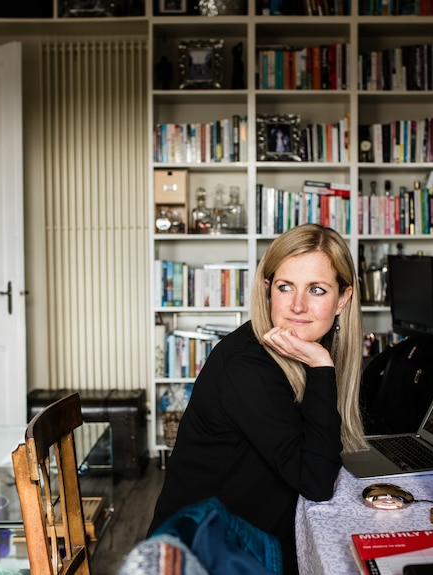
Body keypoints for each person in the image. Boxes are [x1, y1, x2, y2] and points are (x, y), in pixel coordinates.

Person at [148, 223, 367, 574]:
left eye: (316, 289)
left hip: (252, 538)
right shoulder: (246, 364)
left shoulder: (302, 349)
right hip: (203, 555)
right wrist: (321, 367)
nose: (298, 305)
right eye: (285, 287)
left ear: (343, 299)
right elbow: (316, 482)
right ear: (268, 291)